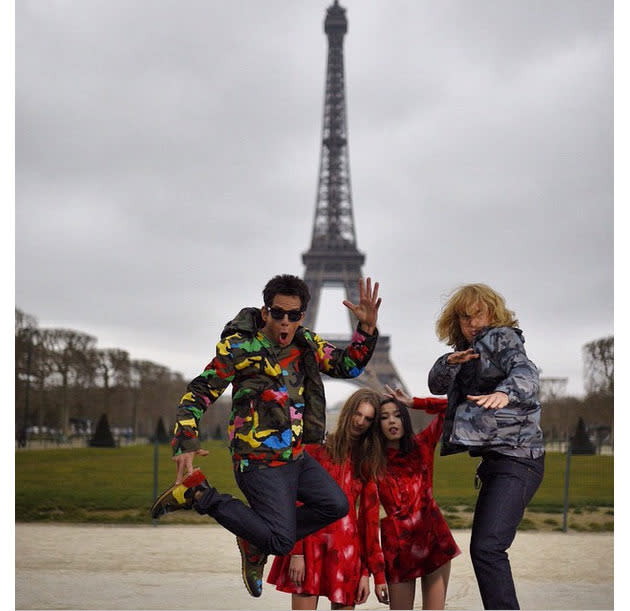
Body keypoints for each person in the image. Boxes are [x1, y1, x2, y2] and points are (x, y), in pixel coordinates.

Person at [150, 274, 382, 598]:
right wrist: (185, 439)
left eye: (294, 315)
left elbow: (350, 367)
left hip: (296, 458)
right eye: (278, 313)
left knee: (336, 505)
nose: (285, 322)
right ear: (265, 312)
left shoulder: (307, 344)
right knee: (283, 542)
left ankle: (252, 539)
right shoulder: (239, 348)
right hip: (258, 461)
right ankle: (199, 496)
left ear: (302, 315)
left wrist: (367, 329)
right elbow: (200, 391)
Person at [428, 283, 544, 610]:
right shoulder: (469, 352)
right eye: (466, 318)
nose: (475, 323)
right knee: (485, 549)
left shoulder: (502, 338)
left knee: (488, 548)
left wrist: (506, 392)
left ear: (494, 314)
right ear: (457, 322)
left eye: (481, 314)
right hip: (497, 463)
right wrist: (450, 361)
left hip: (518, 459)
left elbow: (525, 371)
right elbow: (436, 384)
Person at [267, 388, 389, 610]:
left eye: (368, 419)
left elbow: (369, 522)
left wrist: (371, 573)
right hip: (310, 545)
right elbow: (296, 500)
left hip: (347, 550)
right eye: (358, 414)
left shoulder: (367, 461)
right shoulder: (317, 449)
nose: (361, 422)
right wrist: (296, 552)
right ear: (348, 412)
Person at [376, 389, 461, 610]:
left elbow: (452, 406)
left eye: (397, 414)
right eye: (384, 417)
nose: (391, 421)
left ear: (405, 419)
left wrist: (414, 401)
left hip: (433, 537)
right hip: (398, 544)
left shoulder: (422, 445)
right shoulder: (372, 459)